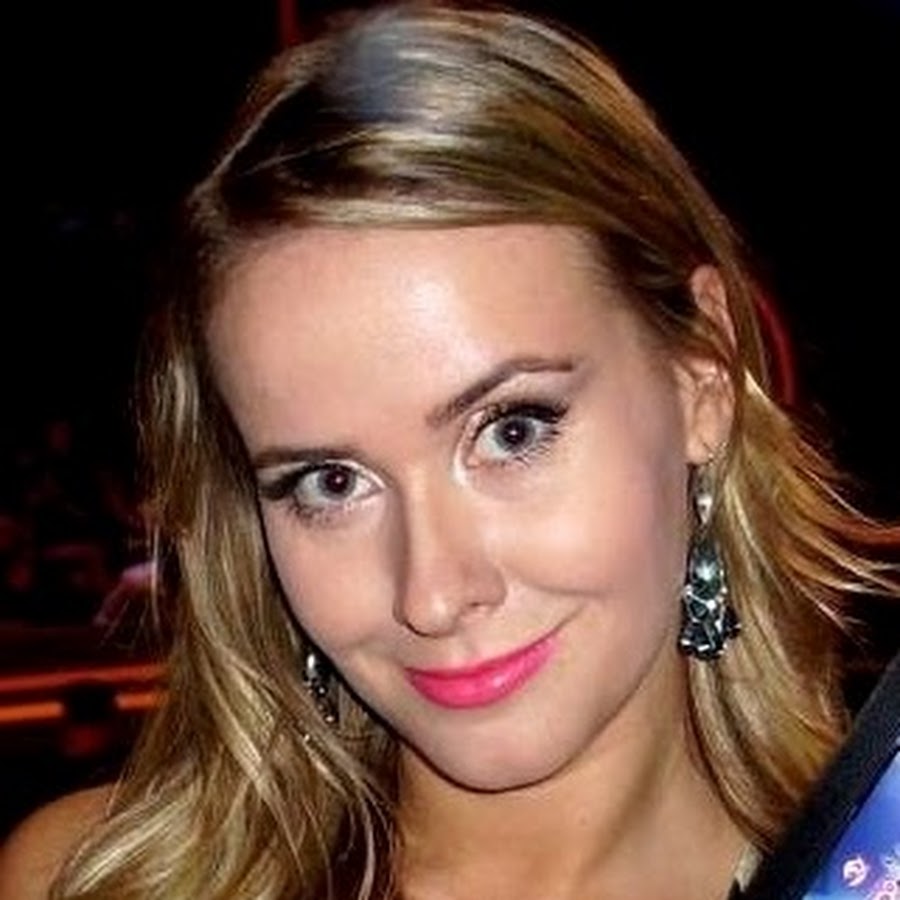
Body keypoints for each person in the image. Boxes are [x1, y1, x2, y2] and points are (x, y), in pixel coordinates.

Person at [1, 3, 897, 898]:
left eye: (512, 430)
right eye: (331, 482)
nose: (431, 594)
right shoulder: (91, 881)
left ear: (700, 378)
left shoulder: (863, 876)